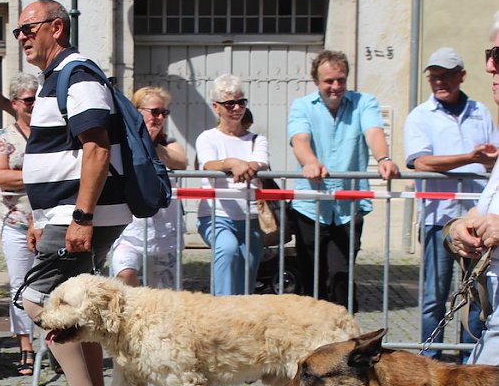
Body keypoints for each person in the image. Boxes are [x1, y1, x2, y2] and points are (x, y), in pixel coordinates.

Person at [15, 0, 131, 386]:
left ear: (56, 28)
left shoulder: (76, 74)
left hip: (80, 215)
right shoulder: (58, 77)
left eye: (29, 28)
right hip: (65, 215)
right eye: (18, 31)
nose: (22, 37)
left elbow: (96, 149)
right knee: (77, 308)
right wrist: (42, 215)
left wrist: (80, 216)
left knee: (37, 298)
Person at [425, 11, 499, 386]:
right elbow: (485, 211)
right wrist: (460, 227)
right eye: (493, 55)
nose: (494, 67)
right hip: (492, 310)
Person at [404, 47, 498, 359]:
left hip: (481, 221)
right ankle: (429, 359)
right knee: (435, 296)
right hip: (439, 219)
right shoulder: (420, 115)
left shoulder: (481, 111)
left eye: (446, 76)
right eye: (434, 77)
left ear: (462, 76)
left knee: (476, 294)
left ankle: (467, 360)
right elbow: (421, 162)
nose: (439, 82)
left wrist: (485, 159)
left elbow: (492, 157)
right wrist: (470, 158)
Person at [287, 50, 400, 310]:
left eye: (341, 80)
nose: (335, 87)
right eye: (329, 81)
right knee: (309, 281)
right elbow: (299, 140)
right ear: (316, 82)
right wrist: (310, 162)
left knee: (340, 277)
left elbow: (373, 132)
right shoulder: (302, 106)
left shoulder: (364, 103)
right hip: (310, 207)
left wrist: (383, 159)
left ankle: (345, 343)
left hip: (348, 209)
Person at [195, 74, 270, 295]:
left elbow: (261, 161)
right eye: (230, 104)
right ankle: (222, 313)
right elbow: (208, 164)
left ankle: (243, 321)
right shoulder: (207, 137)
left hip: (250, 217)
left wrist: (246, 166)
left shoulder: (257, 138)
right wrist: (231, 163)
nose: (237, 108)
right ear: (216, 107)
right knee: (227, 250)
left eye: (241, 102)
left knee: (247, 275)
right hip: (216, 215)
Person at [111, 86, 187, 288]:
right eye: (154, 112)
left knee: (164, 293)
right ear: (137, 110)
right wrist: (141, 141)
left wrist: (152, 144)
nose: (160, 117)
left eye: (164, 113)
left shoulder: (168, 142)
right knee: (124, 274)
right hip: (130, 228)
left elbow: (181, 161)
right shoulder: (123, 140)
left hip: (163, 230)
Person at [0, 73, 39, 375]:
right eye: (29, 100)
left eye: (37, 99)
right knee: (21, 285)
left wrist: (22, 174)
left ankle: (55, 346)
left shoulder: (51, 132)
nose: (34, 105)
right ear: (16, 103)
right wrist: (38, 176)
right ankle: (25, 346)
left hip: (49, 222)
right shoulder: (3, 136)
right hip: (16, 222)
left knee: (53, 287)